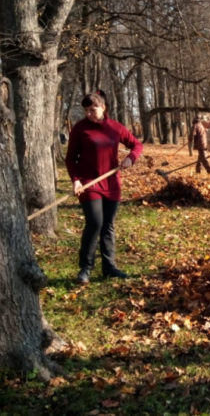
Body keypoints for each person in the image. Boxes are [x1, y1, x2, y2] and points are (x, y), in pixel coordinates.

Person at [65, 92, 143, 284]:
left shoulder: (114, 127)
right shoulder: (80, 129)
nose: (89, 114)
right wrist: (76, 180)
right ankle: (85, 268)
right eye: (86, 110)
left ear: (103, 107)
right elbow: (70, 158)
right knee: (95, 222)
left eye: (93, 109)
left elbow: (136, 145)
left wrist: (130, 158)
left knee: (108, 225)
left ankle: (109, 267)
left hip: (111, 183)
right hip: (88, 183)